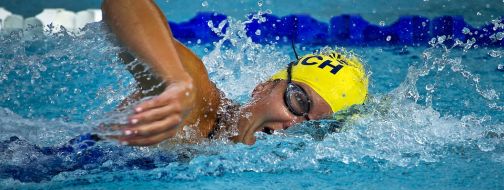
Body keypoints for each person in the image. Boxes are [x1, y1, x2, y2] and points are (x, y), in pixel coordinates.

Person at [101, 0, 369, 146]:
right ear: (264, 87)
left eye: (315, 127)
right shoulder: (198, 106)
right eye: (299, 102)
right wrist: (175, 81)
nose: (294, 125)